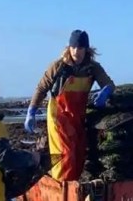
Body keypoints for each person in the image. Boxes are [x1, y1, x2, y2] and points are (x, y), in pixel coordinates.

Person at [25, 29, 115, 181]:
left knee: (79, 155)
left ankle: (73, 186)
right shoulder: (58, 66)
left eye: (80, 48)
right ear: (68, 47)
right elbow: (41, 89)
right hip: (58, 116)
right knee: (66, 155)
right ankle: (63, 189)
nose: (76, 51)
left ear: (86, 49)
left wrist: (105, 91)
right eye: (73, 47)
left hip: (78, 116)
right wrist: (31, 111)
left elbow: (109, 84)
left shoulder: (93, 68)